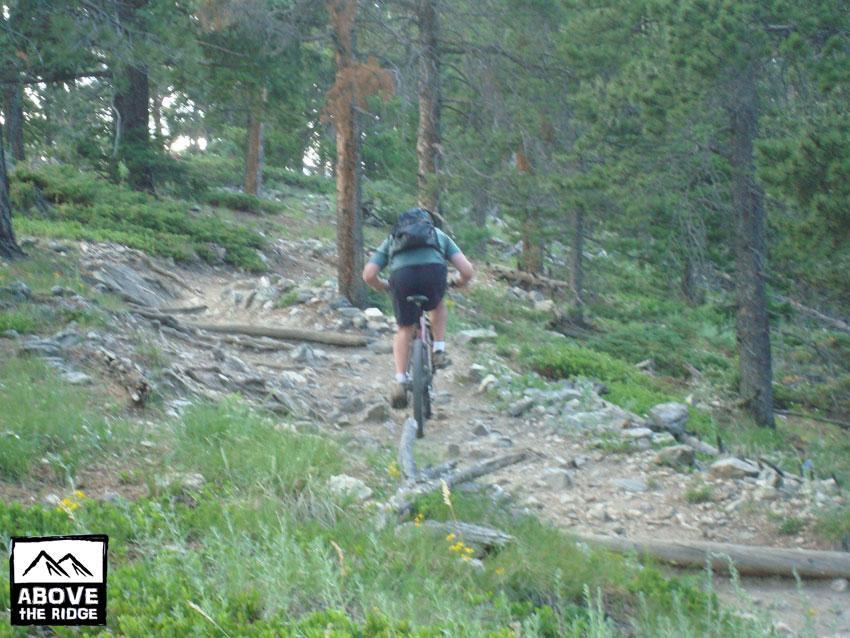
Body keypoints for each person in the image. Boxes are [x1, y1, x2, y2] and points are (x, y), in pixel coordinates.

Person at [362, 207, 474, 408]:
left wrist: (383, 286)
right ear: (428, 223)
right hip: (433, 274)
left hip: (402, 278)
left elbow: (368, 275)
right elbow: (467, 270)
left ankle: (400, 381)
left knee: (405, 328)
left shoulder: (393, 238)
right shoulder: (438, 235)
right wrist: (459, 282)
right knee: (437, 304)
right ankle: (438, 350)